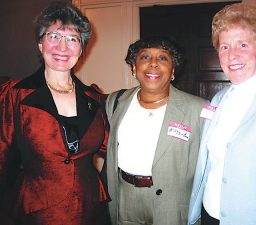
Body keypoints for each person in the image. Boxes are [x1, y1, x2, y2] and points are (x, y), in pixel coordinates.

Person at [188, 3, 256, 225]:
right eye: (224, 47)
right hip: (209, 215)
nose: (232, 55)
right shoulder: (218, 100)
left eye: (242, 44)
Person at [0, 1, 111, 225]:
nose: (62, 47)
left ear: (81, 49)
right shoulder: (14, 94)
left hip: (90, 211)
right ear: (40, 44)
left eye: (72, 39)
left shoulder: (95, 98)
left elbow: (111, 146)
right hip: (37, 212)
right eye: (54, 36)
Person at [103, 36, 206, 225]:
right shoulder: (115, 102)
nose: (153, 64)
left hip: (173, 204)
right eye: (144, 57)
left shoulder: (198, 110)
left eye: (162, 58)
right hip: (125, 200)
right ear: (134, 68)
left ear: (173, 70)